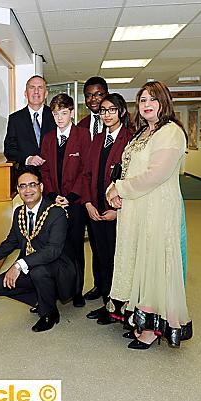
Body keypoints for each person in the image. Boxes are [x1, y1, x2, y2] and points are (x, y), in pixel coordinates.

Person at [106, 81, 192, 349]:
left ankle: (153, 329)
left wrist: (119, 188)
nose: (146, 104)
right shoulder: (142, 133)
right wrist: (114, 188)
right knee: (138, 264)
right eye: (142, 100)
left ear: (164, 102)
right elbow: (127, 169)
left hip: (157, 209)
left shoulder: (170, 133)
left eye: (152, 99)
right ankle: (141, 320)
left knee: (154, 265)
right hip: (136, 208)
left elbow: (156, 175)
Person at [0, 166, 76, 332]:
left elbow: (53, 251)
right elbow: (9, 243)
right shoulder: (19, 213)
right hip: (31, 265)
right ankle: (42, 300)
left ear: (41, 187)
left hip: (58, 267)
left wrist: (18, 265)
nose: (27, 190)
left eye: (32, 185)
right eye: (22, 186)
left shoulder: (56, 213)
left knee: (38, 271)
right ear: (18, 190)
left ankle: (50, 313)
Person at [82, 94, 132, 324]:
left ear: (121, 111)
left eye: (112, 109)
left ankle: (116, 307)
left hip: (118, 211)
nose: (107, 114)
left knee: (116, 259)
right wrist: (88, 204)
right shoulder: (97, 139)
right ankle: (106, 301)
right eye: (103, 110)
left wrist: (117, 211)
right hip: (95, 209)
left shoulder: (130, 140)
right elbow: (87, 174)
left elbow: (133, 179)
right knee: (101, 256)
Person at [40, 93, 90, 308]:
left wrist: (70, 197)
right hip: (53, 202)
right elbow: (45, 169)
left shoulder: (83, 135)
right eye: (55, 114)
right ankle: (58, 291)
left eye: (63, 113)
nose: (59, 118)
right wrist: (52, 195)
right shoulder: (49, 138)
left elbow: (85, 170)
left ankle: (77, 291)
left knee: (76, 247)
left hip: (75, 202)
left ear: (71, 113)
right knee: (54, 248)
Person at [77, 76, 109, 302]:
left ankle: (111, 290)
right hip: (85, 196)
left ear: (105, 93)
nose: (93, 99)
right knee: (94, 246)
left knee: (108, 247)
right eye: (89, 95)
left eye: (98, 94)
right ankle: (98, 285)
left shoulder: (120, 124)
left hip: (109, 197)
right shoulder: (80, 126)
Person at [4, 75, 57, 168]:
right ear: (25, 93)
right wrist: (28, 159)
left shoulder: (56, 116)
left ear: (46, 93)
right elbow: (9, 150)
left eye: (40, 88)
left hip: (53, 174)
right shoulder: (15, 119)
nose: (36, 91)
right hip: (26, 175)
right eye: (32, 87)